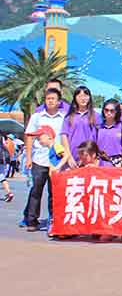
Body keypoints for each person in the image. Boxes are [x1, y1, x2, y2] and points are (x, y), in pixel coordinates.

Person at [23, 88, 65, 232]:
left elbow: (65, 138)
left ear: (59, 101)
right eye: (48, 98)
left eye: (53, 98)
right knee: (36, 191)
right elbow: (29, 137)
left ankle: (54, 219)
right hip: (39, 160)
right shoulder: (37, 117)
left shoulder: (63, 118)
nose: (50, 101)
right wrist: (29, 157)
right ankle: (31, 220)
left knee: (54, 192)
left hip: (56, 162)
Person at [60, 86, 99, 166]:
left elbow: (99, 138)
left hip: (89, 158)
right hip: (72, 157)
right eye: (80, 96)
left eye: (85, 95)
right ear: (75, 98)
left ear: (89, 98)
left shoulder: (96, 116)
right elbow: (64, 136)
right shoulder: (69, 117)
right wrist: (68, 156)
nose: (83, 98)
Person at [96, 99, 122, 167]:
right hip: (100, 161)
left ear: (117, 112)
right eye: (106, 110)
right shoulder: (97, 127)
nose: (109, 113)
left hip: (117, 162)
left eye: (112, 111)